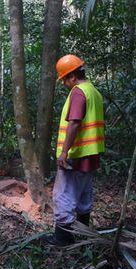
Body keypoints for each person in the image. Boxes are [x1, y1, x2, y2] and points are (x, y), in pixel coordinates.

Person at [43, 55, 105, 246]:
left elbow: (74, 124)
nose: (64, 84)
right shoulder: (93, 91)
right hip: (91, 154)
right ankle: (84, 235)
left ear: (72, 76)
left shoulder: (78, 92)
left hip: (76, 155)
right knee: (84, 195)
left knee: (63, 195)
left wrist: (64, 152)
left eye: (64, 80)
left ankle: (63, 239)